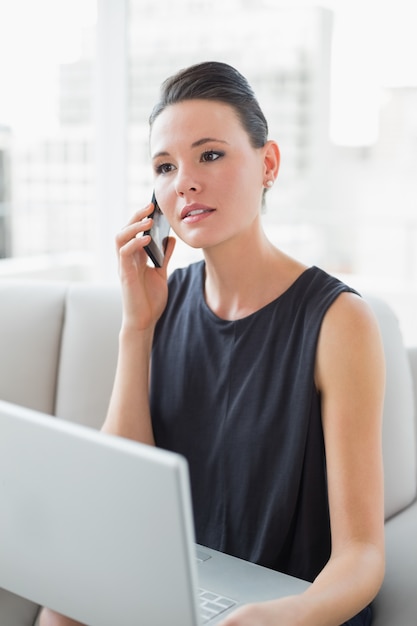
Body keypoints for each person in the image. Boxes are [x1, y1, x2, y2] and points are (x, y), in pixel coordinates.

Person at [40, 61, 385, 626]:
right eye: (164, 167)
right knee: (61, 609)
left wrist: (278, 616)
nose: (185, 183)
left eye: (211, 154)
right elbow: (119, 494)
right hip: (188, 591)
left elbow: (362, 556)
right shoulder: (163, 302)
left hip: (289, 607)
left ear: (267, 163)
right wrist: (137, 327)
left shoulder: (338, 320)